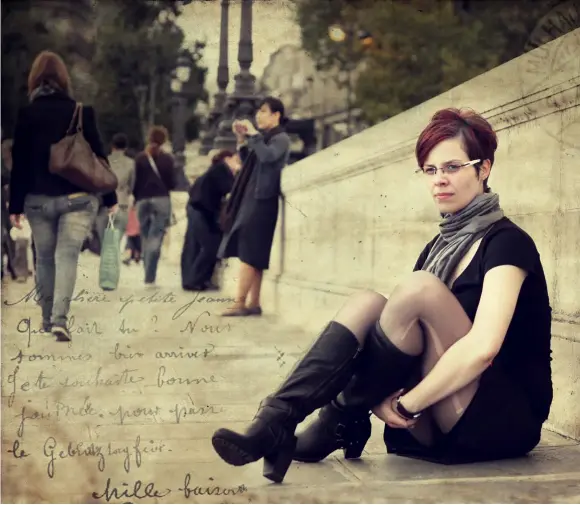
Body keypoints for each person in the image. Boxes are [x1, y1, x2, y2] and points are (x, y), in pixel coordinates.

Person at [211, 107, 553, 483]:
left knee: (417, 289)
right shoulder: (438, 246)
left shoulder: (508, 243)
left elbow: (483, 347)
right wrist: (379, 397)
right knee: (369, 303)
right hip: (437, 414)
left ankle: (337, 420)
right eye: (431, 169)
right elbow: (396, 343)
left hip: (499, 419)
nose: (440, 180)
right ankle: (277, 419)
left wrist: (405, 404)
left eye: (453, 167)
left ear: (483, 168)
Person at [8, 50, 118, 342]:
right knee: (67, 256)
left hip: (38, 199)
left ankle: (46, 319)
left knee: (44, 258)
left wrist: (15, 205)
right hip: (79, 198)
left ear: (34, 80)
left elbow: (19, 163)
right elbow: (99, 159)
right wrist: (110, 199)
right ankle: (60, 320)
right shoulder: (82, 112)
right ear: (64, 79)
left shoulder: (27, 114)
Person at [217, 96, 291, 316]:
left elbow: (268, 157)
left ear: (276, 115)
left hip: (263, 200)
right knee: (254, 253)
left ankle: (240, 303)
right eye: (258, 111)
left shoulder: (281, 138)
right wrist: (242, 138)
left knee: (250, 251)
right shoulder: (265, 138)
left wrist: (254, 136)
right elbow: (248, 159)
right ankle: (254, 303)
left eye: (264, 111)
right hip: (254, 198)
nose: (258, 115)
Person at [181, 149, 239, 291]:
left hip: (196, 208)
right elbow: (232, 188)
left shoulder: (214, 171)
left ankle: (193, 280)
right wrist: (238, 172)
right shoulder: (221, 170)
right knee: (211, 246)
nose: (239, 164)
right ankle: (195, 280)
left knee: (194, 246)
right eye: (236, 160)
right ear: (227, 159)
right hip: (201, 210)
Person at [132, 125, 175, 285]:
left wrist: (136, 199)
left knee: (145, 236)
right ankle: (150, 276)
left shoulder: (140, 158)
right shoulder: (168, 159)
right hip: (161, 199)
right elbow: (172, 182)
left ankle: (147, 272)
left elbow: (135, 183)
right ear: (164, 140)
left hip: (143, 200)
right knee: (156, 236)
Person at [105, 132, 135, 244]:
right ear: (126, 147)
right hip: (122, 205)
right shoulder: (131, 163)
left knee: (105, 241)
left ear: (112, 146)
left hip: (105, 206)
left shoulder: (104, 162)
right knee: (114, 243)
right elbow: (132, 186)